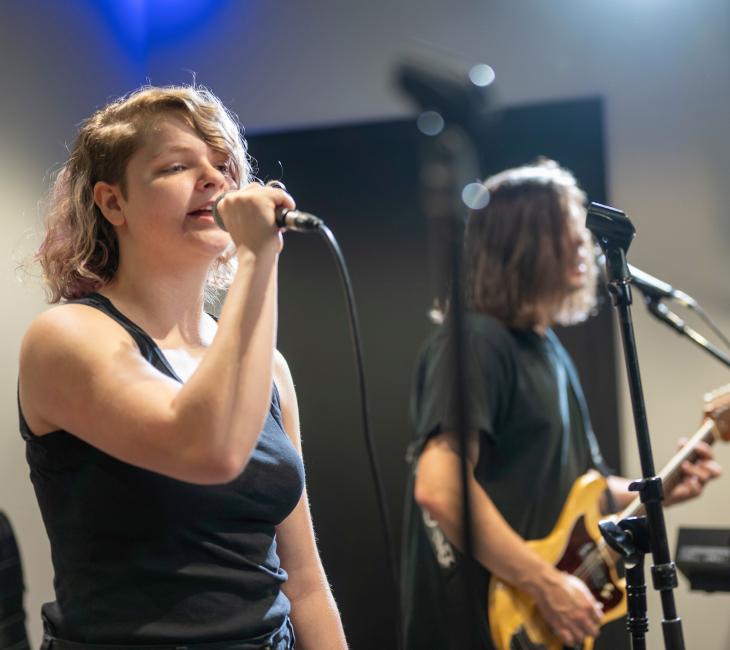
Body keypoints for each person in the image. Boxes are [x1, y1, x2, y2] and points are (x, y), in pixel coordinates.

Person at [18, 85, 348, 650]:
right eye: (177, 165)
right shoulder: (66, 338)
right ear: (112, 203)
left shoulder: (268, 369)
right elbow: (208, 448)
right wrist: (256, 257)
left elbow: (306, 581)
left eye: (224, 165)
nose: (214, 179)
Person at [401, 160, 722, 650]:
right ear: (524, 243)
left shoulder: (549, 351)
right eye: (569, 231)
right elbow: (440, 487)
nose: (585, 247)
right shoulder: (475, 341)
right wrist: (545, 582)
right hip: (475, 625)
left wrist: (665, 488)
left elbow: (585, 492)